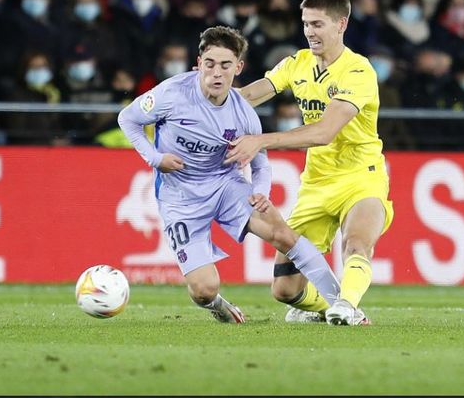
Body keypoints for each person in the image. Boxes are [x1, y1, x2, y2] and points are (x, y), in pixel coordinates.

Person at [118, 26, 350, 324]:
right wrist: (155, 158)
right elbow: (128, 119)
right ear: (198, 63)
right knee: (203, 289)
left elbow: (260, 162)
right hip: (181, 196)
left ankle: (342, 304)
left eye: (225, 65)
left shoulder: (243, 114)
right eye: (210, 64)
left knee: (282, 233)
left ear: (238, 67)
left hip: (225, 184)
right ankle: (217, 306)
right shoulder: (171, 94)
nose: (217, 73)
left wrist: (261, 191)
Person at [226, 0, 394, 326]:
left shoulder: (358, 72)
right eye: (305, 23)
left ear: (341, 25)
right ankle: (333, 309)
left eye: (317, 24)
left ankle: (346, 305)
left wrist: (260, 140)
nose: (309, 32)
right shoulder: (297, 63)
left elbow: (323, 132)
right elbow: (250, 94)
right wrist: (203, 104)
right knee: (285, 290)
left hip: (360, 175)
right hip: (316, 182)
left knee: (356, 244)